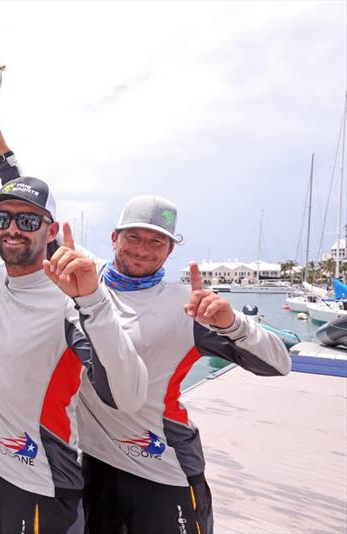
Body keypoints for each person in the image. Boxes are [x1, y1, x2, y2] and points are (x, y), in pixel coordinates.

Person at [44, 194, 291, 534]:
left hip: (164, 466)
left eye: (156, 241)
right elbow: (32, 219)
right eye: (133, 237)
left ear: (170, 251)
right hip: (97, 462)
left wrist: (232, 323)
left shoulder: (188, 308)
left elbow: (279, 364)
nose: (143, 249)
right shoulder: (84, 283)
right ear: (114, 238)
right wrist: (1, 154)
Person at [0, 164, 149, 533]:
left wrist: (94, 300)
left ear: (51, 230)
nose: (12, 229)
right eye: (2, 217)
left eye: (28, 220)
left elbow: (127, 396)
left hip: (41, 481)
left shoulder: (70, 302)